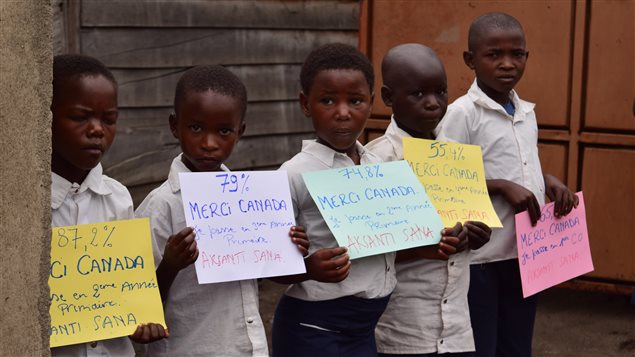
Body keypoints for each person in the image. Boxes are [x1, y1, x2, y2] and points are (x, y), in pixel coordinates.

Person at [271, 43, 466, 357]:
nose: (343, 112)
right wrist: (308, 269)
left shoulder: (380, 169)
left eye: (356, 100)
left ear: (373, 103)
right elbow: (268, 266)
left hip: (364, 331)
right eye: (327, 100)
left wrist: (427, 246)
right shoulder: (293, 174)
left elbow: (380, 241)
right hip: (313, 328)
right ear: (306, 104)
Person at [134, 65, 310, 356]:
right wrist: (170, 264)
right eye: (196, 128)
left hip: (247, 346)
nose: (209, 143)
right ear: (174, 126)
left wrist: (288, 249)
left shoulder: (250, 201)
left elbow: (259, 274)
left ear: (240, 132)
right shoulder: (161, 206)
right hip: (191, 348)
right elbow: (139, 304)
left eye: (224, 131)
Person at [435, 13, 579, 357]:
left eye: (517, 54)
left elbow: (523, 161)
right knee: (482, 345)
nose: (507, 64)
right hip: (482, 257)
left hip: (527, 252)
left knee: (517, 344)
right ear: (471, 60)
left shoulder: (525, 112)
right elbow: (444, 182)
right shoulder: (462, 113)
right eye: (494, 55)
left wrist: (549, 181)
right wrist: (499, 186)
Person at [366, 43, 492, 357]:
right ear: (387, 98)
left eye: (441, 92)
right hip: (403, 326)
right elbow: (367, 249)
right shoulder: (377, 163)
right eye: (418, 94)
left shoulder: (456, 155)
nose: (433, 104)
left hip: (457, 326)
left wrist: (476, 235)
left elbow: (467, 227)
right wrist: (424, 246)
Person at [50, 54, 166, 356]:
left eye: (109, 120)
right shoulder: (23, 207)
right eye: (79, 117)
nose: (97, 130)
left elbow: (133, 290)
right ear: (45, 116)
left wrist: (142, 320)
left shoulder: (119, 199)